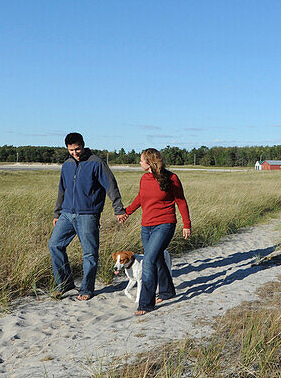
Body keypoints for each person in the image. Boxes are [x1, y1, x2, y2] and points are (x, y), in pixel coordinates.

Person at [48, 132, 127, 300]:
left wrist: (118, 208)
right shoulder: (67, 165)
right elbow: (62, 190)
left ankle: (86, 289)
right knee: (55, 245)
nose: (75, 153)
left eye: (77, 149)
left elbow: (111, 186)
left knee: (89, 253)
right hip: (67, 214)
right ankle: (65, 283)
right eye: (71, 150)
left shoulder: (97, 163)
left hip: (88, 215)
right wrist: (57, 212)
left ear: (83, 145)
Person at [124, 147, 192, 315]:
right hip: (146, 226)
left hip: (165, 225)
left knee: (148, 261)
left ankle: (146, 303)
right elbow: (140, 198)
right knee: (158, 258)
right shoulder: (144, 179)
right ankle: (167, 291)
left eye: (141, 160)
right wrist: (127, 212)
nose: (139, 163)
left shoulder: (172, 178)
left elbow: (181, 201)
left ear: (149, 162)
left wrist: (187, 224)